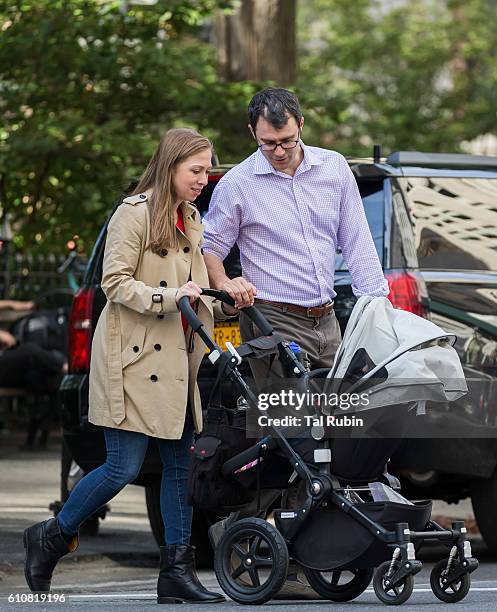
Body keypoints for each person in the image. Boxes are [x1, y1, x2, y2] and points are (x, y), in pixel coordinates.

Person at [23, 128, 233, 603]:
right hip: (134, 361)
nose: (204, 179)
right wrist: (168, 297)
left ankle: (175, 573)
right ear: (170, 166)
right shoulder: (133, 214)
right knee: (122, 467)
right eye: (195, 170)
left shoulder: (191, 219)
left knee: (180, 467)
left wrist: (228, 304)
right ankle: (51, 537)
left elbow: (195, 292)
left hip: (178, 361)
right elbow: (114, 284)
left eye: (206, 170)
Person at [203, 87, 389, 382]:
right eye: (268, 143)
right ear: (252, 132)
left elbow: (358, 241)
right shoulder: (236, 184)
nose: (278, 152)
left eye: (287, 141)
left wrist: (375, 305)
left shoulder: (334, 167)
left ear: (301, 124)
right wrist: (225, 283)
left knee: (337, 419)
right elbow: (210, 247)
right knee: (286, 421)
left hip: (327, 320)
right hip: (271, 319)